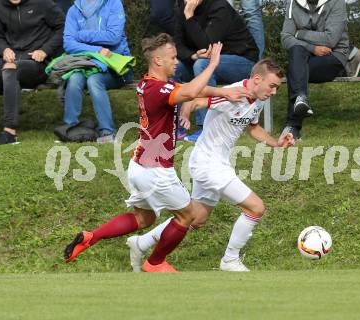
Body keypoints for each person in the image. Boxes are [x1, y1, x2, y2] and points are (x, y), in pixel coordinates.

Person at [63, 33, 250, 272]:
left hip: (139, 166)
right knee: (189, 216)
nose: (176, 62)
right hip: (156, 170)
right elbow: (191, 92)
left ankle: (92, 236)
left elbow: (185, 89)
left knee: (144, 219)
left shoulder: (147, 84)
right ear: (158, 61)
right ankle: (155, 262)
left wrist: (223, 93)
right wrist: (213, 64)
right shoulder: (158, 90)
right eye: (172, 58)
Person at [126, 58, 295, 272]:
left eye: (277, 88)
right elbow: (194, 99)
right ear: (257, 79)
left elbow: (253, 127)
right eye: (272, 86)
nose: (274, 92)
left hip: (217, 163)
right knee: (256, 208)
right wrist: (186, 116)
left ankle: (142, 243)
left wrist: (277, 144)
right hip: (208, 164)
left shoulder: (258, 98)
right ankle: (230, 260)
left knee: (196, 219)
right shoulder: (232, 94)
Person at [174, 0, 260, 142]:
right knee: (175, 68)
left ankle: (206, 128)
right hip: (203, 60)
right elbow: (177, 43)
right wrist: (192, 55)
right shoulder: (183, 7)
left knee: (202, 65)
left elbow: (208, 46)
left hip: (242, 60)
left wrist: (189, 16)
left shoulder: (219, 6)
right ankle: (175, 125)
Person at [0, 0, 64, 145]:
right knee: (1, 67)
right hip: (9, 60)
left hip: (37, 63)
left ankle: (9, 132)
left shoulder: (43, 3)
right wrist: (4, 49)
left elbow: (62, 27)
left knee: (10, 69)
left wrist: (45, 50)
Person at [62, 0, 134, 144]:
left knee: (94, 80)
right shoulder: (73, 10)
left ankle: (107, 131)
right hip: (87, 63)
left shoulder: (114, 4)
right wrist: (97, 50)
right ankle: (70, 129)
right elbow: (68, 43)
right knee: (74, 78)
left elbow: (113, 37)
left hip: (116, 67)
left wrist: (81, 35)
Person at [280, 0, 351, 140]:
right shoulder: (292, 3)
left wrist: (300, 33)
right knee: (296, 54)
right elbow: (285, 38)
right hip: (304, 57)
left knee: (295, 71)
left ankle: (293, 125)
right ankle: (300, 99)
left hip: (333, 55)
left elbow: (330, 39)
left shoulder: (337, 2)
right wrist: (312, 48)